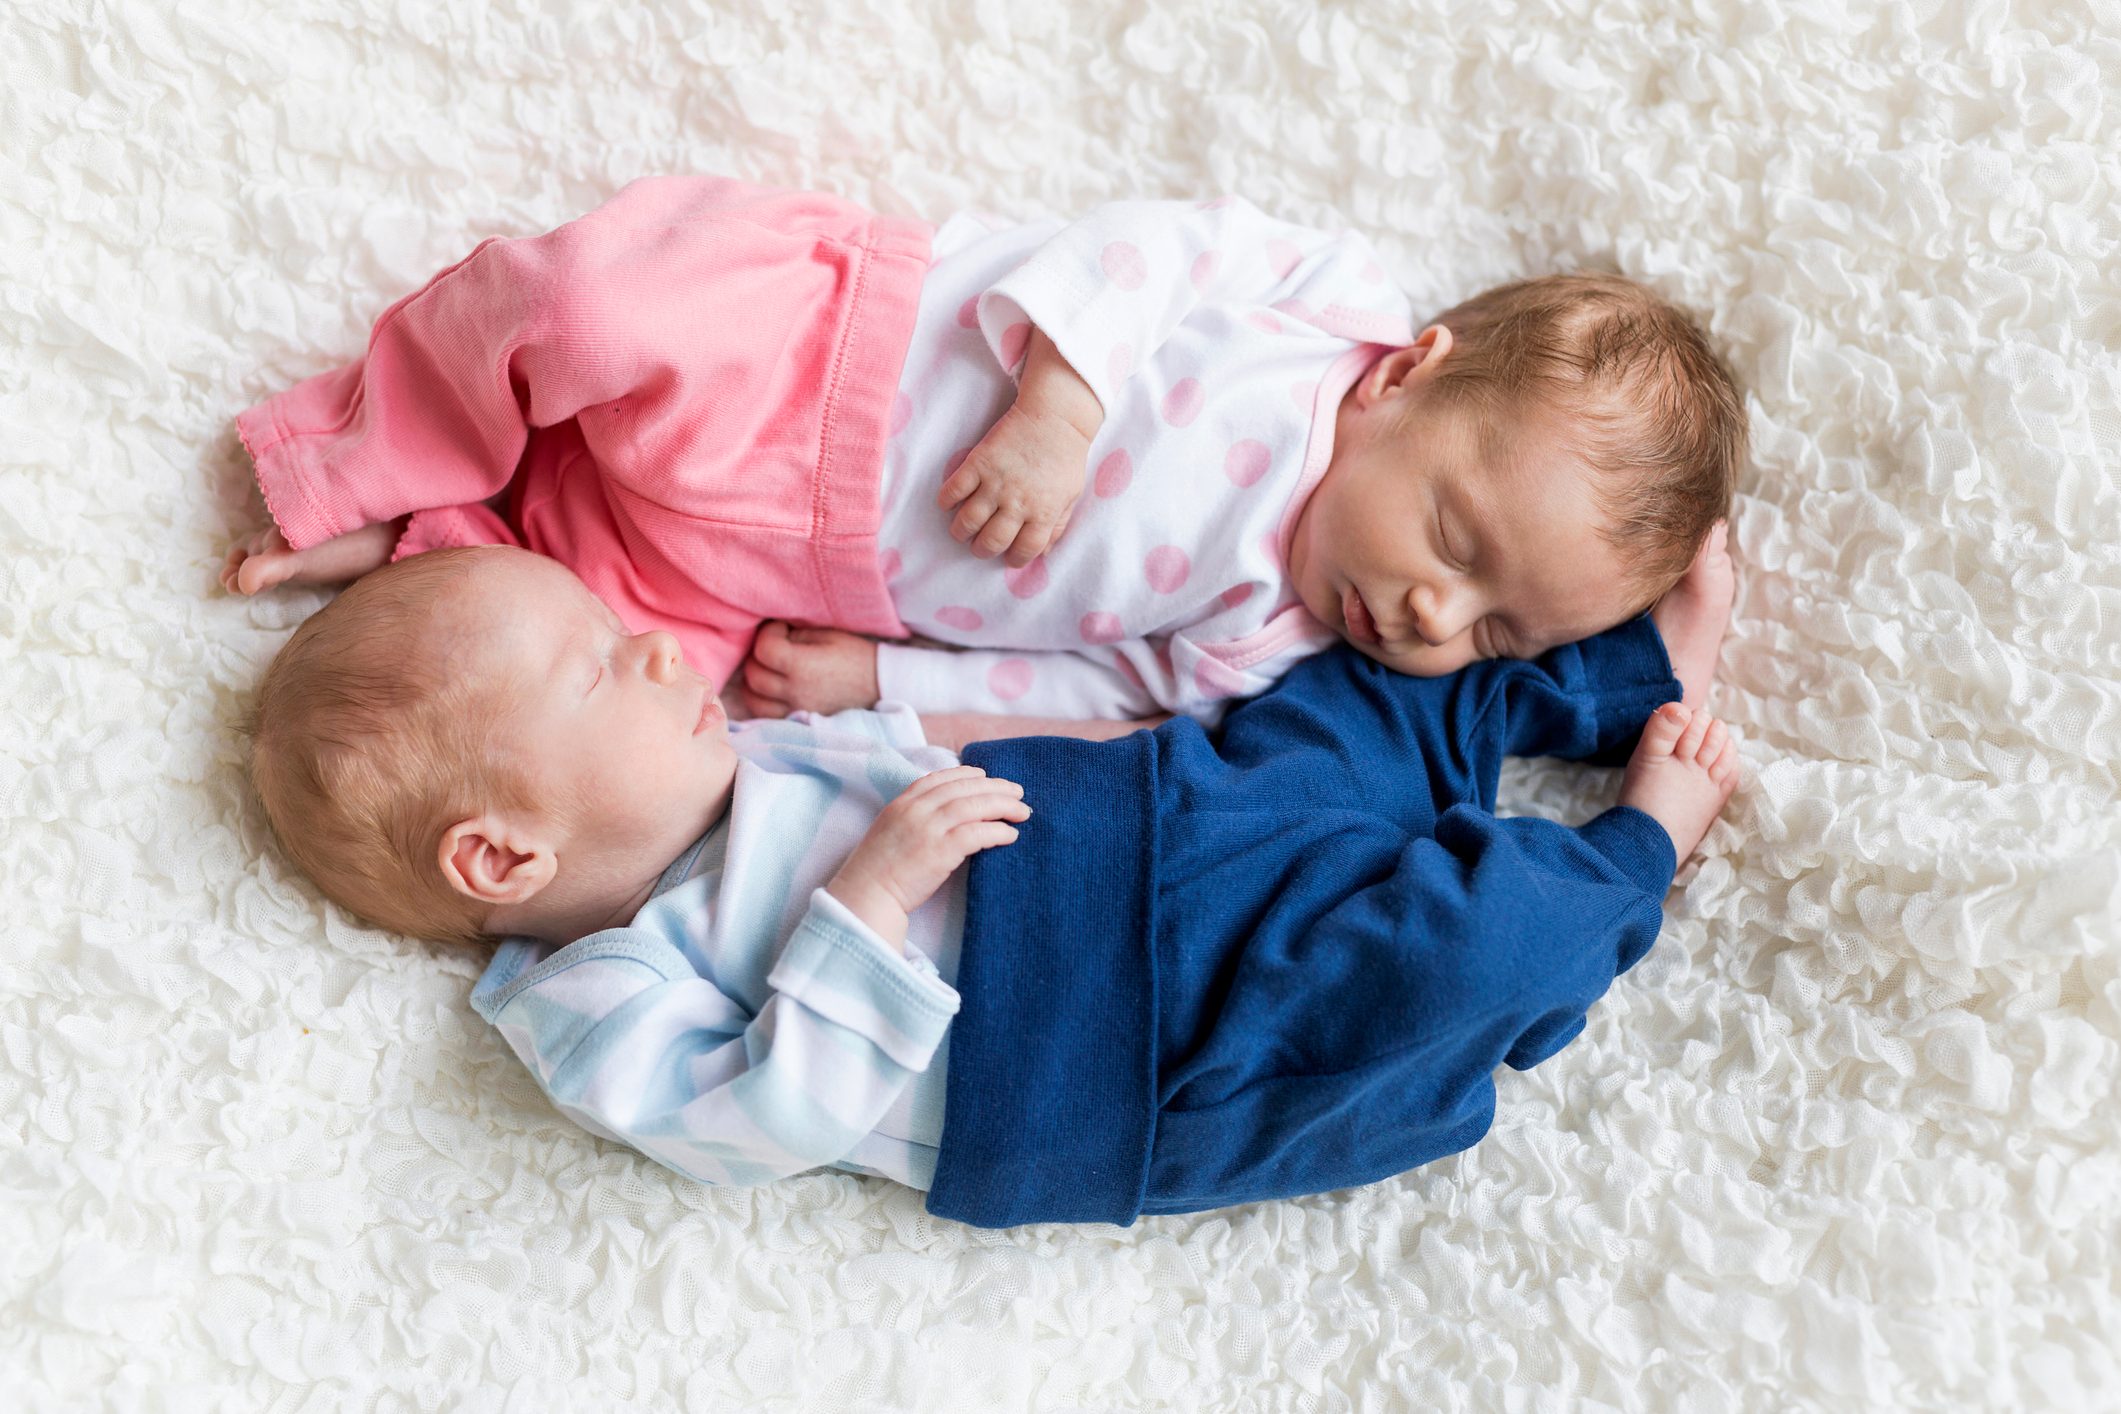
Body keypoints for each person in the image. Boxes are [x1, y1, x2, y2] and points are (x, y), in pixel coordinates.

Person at [239, 544, 1740, 1227]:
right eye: (593, 670)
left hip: (1138, 821)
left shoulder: (739, 753)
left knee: (1356, 706)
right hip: (1113, 1057)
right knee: (1434, 967)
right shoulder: (595, 998)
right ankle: (1634, 850)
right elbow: (761, 1126)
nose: (647, 646)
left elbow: (938, 743)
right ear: (503, 856)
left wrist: (908, 690)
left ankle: (1622, 677)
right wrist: (863, 904)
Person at [222, 175, 1745, 725]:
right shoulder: (1325, 308)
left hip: (779, 577)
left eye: (1493, 634)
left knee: (603, 698)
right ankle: (367, 447)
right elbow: (1149, 248)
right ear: (1412, 375)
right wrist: (1060, 407)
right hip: (823, 355)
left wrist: (884, 684)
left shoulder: (1265, 639)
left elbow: (1096, 694)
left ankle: (415, 550)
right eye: (1459, 546)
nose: (1429, 615)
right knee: (589, 305)